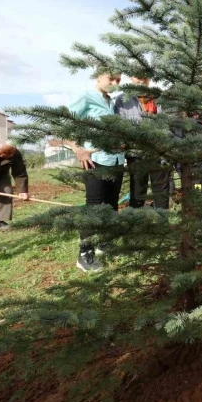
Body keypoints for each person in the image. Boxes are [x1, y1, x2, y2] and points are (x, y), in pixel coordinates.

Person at [65, 71, 125, 272]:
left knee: (111, 205)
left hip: (116, 160)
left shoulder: (114, 102)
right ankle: (84, 254)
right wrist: (78, 149)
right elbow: (64, 123)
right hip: (95, 162)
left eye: (118, 80)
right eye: (111, 79)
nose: (115, 83)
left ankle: (104, 243)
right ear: (99, 77)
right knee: (93, 207)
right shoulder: (85, 97)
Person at [115, 76, 171, 209]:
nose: (141, 81)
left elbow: (167, 123)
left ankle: (162, 224)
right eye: (137, 77)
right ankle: (137, 223)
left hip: (159, 152)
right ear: (131, 78)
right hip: (136, 154)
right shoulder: (122, 99)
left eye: (144, 77)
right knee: (138, 192)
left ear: (149, 79)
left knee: (161, 192)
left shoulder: (158, 97)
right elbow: (119, 125)